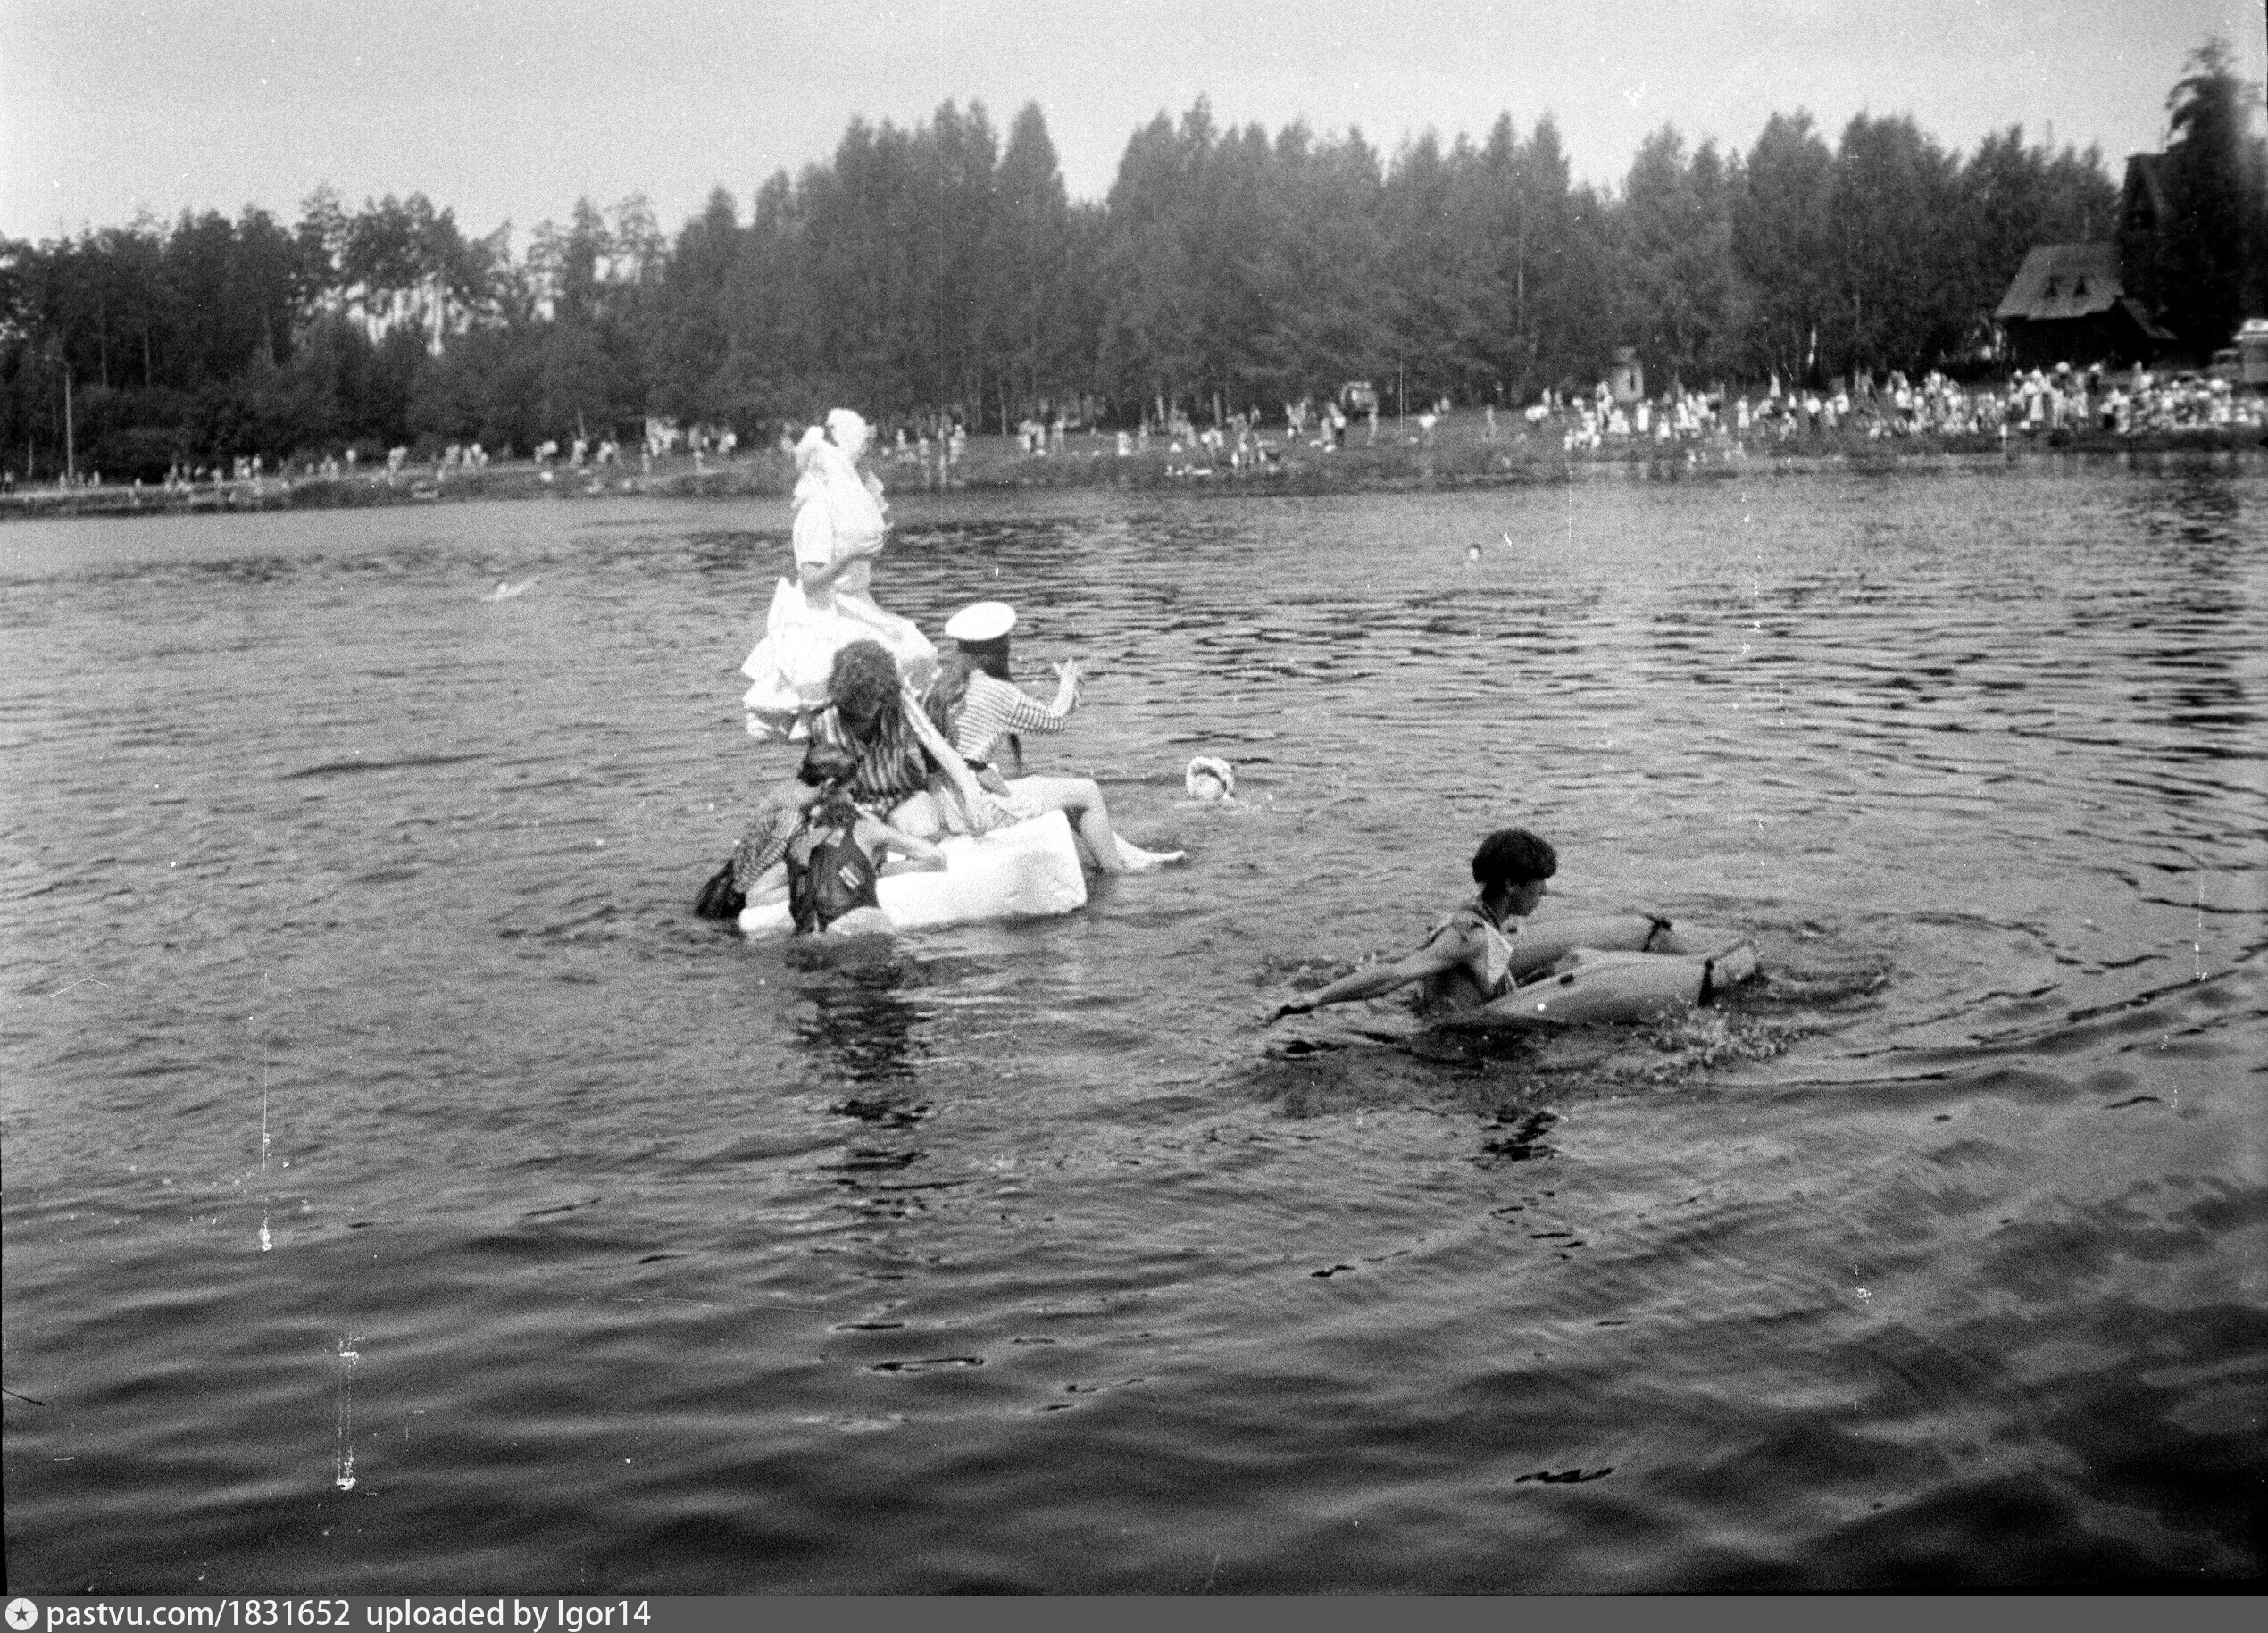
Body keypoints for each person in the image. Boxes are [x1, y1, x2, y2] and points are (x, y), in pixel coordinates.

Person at [928, 601, 1177, 873]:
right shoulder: (996, 691)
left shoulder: (941, 686)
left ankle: (1131, 855)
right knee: (1088, 791)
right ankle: (1116, 871)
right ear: (999, 647)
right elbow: (1054, 721)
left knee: (1047, 786)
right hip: (977, 806)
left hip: (947, 801)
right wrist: (1068, 685)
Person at [739, 411, 937, 740]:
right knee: (838, 674)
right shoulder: (816, 510)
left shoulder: (849, 505)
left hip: (859, 604)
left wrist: (868, 548)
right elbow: (811, 582)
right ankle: (844, 744)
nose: (863, 466)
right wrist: (851, 556)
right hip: (827, 611)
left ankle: (879, 747)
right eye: (856, 457)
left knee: (918, 654)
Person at [1269, 829, 1559, 1021]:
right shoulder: (1469, 937)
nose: (1545, 891)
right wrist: (1316, 997)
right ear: (1511, 884)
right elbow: (1396, 975)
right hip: (1454, 1052)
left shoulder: (1473, 917)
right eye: (1540, 882)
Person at [808, 638, 995, 840]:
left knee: (922, 827)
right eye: (862, 699)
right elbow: (826, 787)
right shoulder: (825, 724)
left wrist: (971, 794)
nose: (870, 707)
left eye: (875, 698)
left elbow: (940, 748)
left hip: (902, 797)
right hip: (858, 806)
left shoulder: (899, 704)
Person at [782, 742, 946, 935]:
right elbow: (936, 857)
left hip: (810, 940)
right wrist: (879, 871)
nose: (854, 799)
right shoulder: (868, 830)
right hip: (863, 933)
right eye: (851, 790)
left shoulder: (795, 842)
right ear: (835, 787)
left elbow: (761, 893)